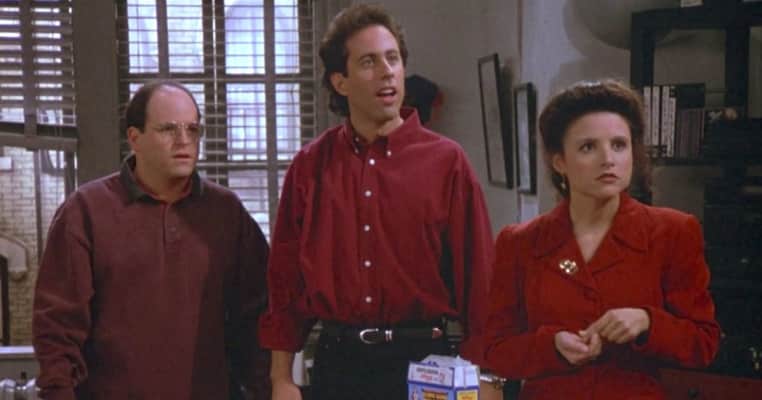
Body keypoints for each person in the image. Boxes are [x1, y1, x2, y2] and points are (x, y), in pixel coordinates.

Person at [258, 4, 495, 400]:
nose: (387, 72)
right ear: (340, 82)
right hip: (339, 363)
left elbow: (480, 282)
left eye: (393, 59)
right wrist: (281, 379)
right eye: (369, 62)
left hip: (426, 362)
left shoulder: (447, 162)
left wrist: (488, 379)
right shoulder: (310, 167)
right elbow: (285, 283)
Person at [32, 80, 271, 399]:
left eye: (192, 129)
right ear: (135, 138)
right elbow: (57, 329)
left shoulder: (225, 211)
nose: (183, 140)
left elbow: (258, 314)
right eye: (168, 129)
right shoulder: (86, 211)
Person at [483, 80, 720, 399]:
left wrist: (647, 322)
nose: (608, 159)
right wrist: (550, 345)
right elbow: (494, 349)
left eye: (619, 145)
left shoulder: (674, 232)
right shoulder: (520, 242)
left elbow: (704, 344)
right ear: (559, 161)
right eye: (588, 147)